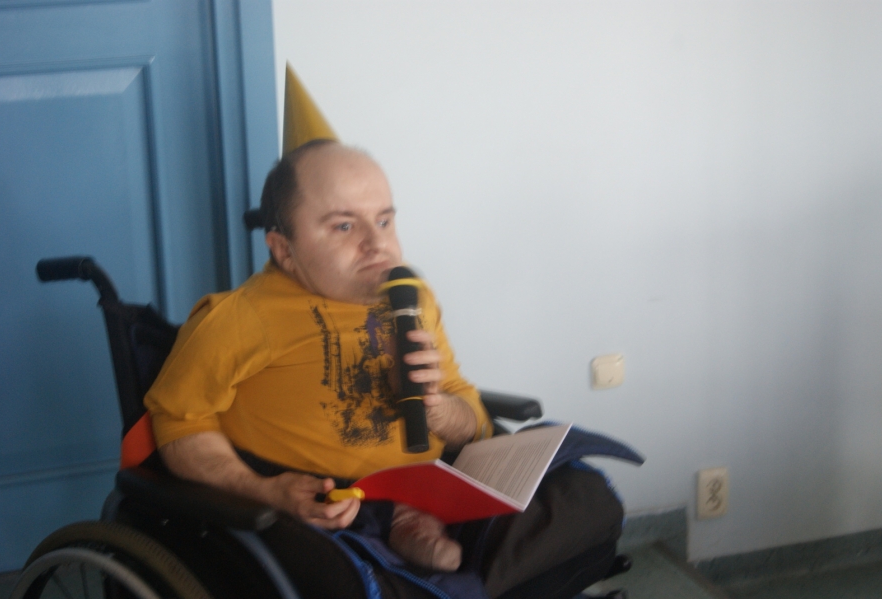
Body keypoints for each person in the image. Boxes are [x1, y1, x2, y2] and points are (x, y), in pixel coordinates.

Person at [144, 140, 624, 599]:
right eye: (343, 226)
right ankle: (431, 564)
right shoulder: (238, 319)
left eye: (384, 220)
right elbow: (178, 423)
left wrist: (439, 409)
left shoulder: (410, 296)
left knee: (586, 499)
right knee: (364, 588)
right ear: (284, 249)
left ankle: (436, 563)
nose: (377, 244)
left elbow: (471, 415)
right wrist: (263, 490)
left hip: (440, 489)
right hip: (332, 514)